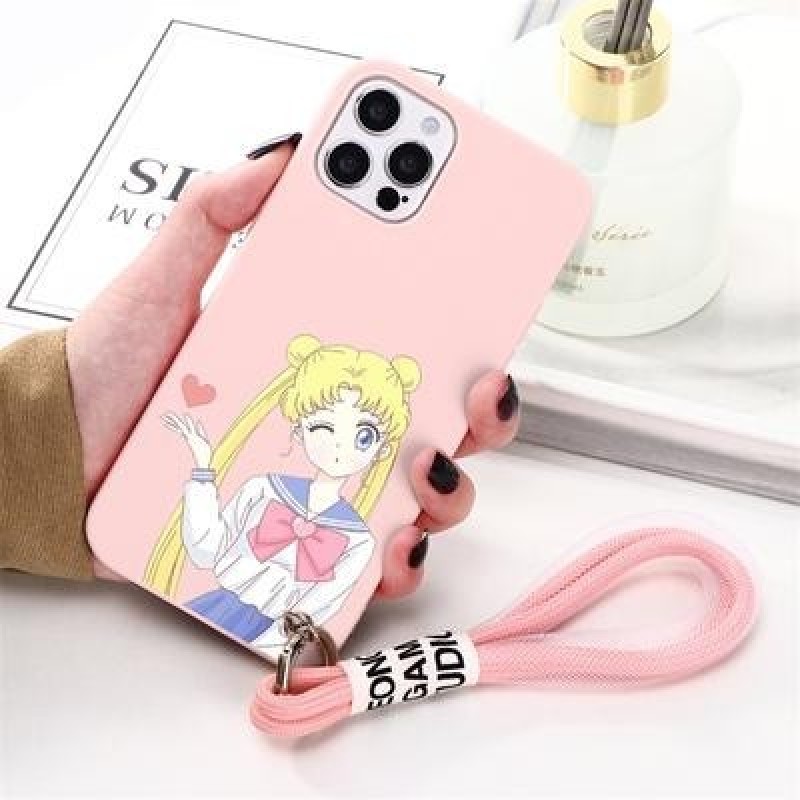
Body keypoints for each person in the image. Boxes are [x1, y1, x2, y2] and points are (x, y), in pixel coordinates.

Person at [0, 138, 520, 603]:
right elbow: (206, 549)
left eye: (364, 434)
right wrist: (201, 468)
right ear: (298, 429)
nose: (341, 447)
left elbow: (316, 611)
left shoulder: (360, 540)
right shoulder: (261, 492)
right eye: (323, 427)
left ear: (383, 446)